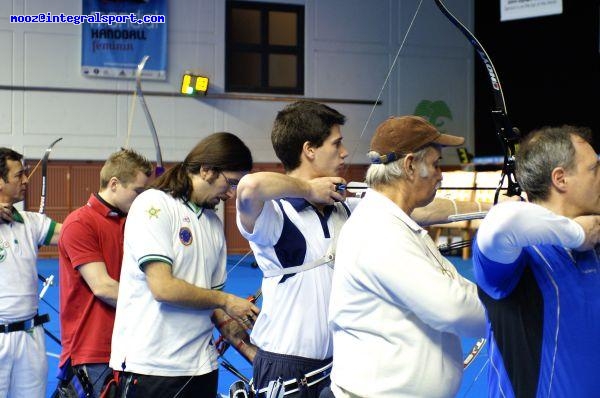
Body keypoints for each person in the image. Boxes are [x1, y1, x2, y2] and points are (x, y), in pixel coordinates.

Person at [236, 102, 487, 397]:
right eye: (336, 143)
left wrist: (492, 208)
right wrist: (308, 190)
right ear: (309, 150)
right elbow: (249, 187)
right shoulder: (273, 217)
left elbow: (422, 209)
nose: (344, 152)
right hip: (287, 367)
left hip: (338, 365)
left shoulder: (348, 208)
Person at [326, 115, 486, 398]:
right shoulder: (379, 230)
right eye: (436, 164)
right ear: (411, 165)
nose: (441, 174)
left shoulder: (394, 223)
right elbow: (453, 307)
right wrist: (510, 307)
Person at [110, 132, 260, 398]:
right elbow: (163, 288)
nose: (231, 194)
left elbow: (216, 309)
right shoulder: (153, 204)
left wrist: (253, 354)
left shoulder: (214, 224)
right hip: (153, 368)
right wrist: (226, 299)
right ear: (206, 170)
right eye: (230, 183)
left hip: (201, 368)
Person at [472, 125, 600, 397]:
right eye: (594, 169)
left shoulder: (594, 242)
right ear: (561, 179)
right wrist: (577, 234)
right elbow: (501, 221)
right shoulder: (519, 253)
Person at [57, 149, 152, 397]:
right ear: (114, 184)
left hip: (132, 345)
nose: (141, 199)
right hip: (92, 350)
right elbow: (103, 287)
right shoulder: (80, 223)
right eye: (138, 192)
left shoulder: (132, 222)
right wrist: (161, 299)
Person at [0, 147, 62, 397]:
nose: (26, 180)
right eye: (19, 175)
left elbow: (72, 233)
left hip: (30, 336)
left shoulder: (31, 222)